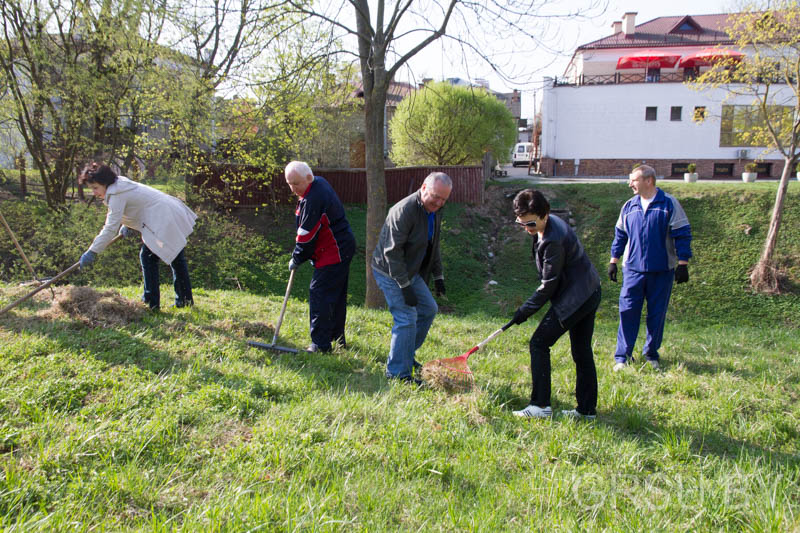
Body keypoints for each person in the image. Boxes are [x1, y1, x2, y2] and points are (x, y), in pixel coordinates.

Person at [509, 189, 602, 419]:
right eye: (522, 225)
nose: (527, 230)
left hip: (578, 297)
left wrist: (525, 311)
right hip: (588, 290)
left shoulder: (553, 240)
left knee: (539, 343)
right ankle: (586, 410)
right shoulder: (544, 227)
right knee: (581, 350)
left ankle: (540, 406)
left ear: (545, 213)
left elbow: (548, 284)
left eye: (530, 224)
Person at [608, 164, 692, 371]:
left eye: (633, 180)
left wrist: (683, 263)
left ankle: (651, 354)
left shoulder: (668, 204)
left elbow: (682, 233)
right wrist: (613, 261)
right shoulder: (629, 206)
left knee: (656, 314)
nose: (630, 184)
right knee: (627, 312)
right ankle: (622, 357)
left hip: (661, 270)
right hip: (633, 270)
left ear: (649, 181)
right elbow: (620, 235)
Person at [79, 163, 197, 310]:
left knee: (148, 257)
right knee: (175, 258)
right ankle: (184, 301)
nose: (94, 193)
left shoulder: (116, 194)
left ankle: (151, 303)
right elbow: (137, 204)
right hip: (167, 211)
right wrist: (127, 224)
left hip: (163, 217)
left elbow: (110, 228)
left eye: (95, 188)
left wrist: (92, 251)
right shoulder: (119, 185)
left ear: (104, 183)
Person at [371, 172, 451, 384]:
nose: (439, 202)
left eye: (444, 199)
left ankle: (404, 356)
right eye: (436, 196)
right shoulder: (403, 211)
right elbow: (392, 252)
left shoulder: (435, 210)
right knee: (406, 317)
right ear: (424, 187)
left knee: (428, 309)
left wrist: (438, 275)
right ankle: (397, 373)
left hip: (411, 270)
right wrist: (404, 286)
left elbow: (433, 244)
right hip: (389, 270)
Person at [285, 161, 356, 353]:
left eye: (296, 183)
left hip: (335, 250)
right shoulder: (315, 184)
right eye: (289, 184)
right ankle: (337, 338)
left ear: (309, 178)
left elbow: (307, 235)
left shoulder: (315, 197)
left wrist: (297, 257)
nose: (293, 189)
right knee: (334, 295)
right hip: (339, 247)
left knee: (320, 294)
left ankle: (321, 344)